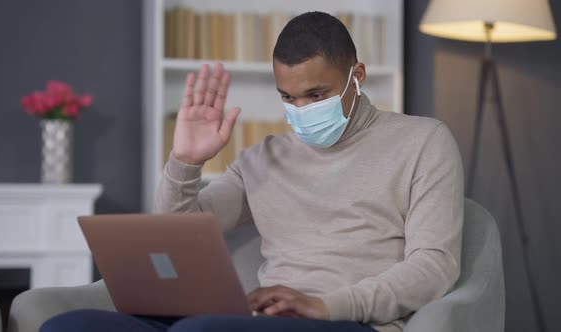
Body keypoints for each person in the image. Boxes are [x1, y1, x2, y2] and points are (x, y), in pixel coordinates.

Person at [41, 11, 463, 332]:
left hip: (345, 321)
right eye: (288, 97)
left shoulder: (422, 141)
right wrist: (186, 161)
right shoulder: (264, 157)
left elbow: (434, 266)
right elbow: (176, 236)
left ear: (357, 77)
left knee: (200, 330)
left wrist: (326, 305)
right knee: (68, 326)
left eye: (316, 95)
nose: (301, 111)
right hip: (256, 319)